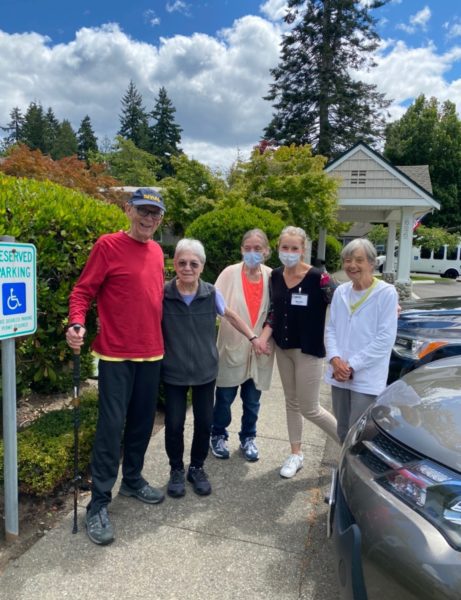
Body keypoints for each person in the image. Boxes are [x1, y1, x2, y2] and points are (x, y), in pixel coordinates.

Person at [66, 188, 166, 546]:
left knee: (142, 423)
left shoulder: (156, 251)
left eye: (156, 214)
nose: (149, 219)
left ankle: (134, 480)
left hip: (152, 353)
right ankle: (99, 503)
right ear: (128, 210)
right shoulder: (107, 246)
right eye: (143, 211)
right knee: (110, 428)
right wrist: (75, 322)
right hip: (115, 355)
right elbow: (82, 292)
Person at [162, 238, 267, 498]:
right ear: (174, 264)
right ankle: (176, 469)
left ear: (202, 266)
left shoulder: (210, 293)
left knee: (204, 422)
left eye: (193, 263)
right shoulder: (163, 293)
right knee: (174, 424)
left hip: (205, 371)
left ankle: (196, 468)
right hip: (173, 371)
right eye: (182, 262)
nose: (187, 268)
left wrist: (253, 337)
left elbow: (231, 315)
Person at [259, 226, 339, 479]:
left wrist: (382, 302)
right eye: (285, 248)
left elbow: (347, 302)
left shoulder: (319, 278)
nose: (290, 252)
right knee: (291, 403)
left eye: (295, 248)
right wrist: (264, 337)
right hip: (284, 348)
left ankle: (351, 444)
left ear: (303, 250)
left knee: (310, 407)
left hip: (309, 350)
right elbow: (273, 310)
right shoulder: (275, 276)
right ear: (279, 248)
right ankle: (296, 454)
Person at [210, 229, 275, 462]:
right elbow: (215, 306)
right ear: (241, 250)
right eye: (247, 248)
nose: (252, 253)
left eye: (258, 249)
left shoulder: (271, 276)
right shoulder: (229, 274)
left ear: (267, 251)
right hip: (232, 346)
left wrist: (263, 338)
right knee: (225, 397)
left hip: (260, 350)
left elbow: (276, 313)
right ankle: (218, 434)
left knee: (252, 400)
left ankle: (248, 437)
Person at [325, 238, 398, 443]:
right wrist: (335, 360)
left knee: (360, 432)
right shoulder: (341, 292)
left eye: (359, 260)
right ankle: (342, 469)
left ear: (372, 263)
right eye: (347, 260)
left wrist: (352, 366)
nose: (352, 266)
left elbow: (385, 338)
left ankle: (355, 472)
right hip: (338, 373)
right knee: (342, 428)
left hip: (366, 377)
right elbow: (331, 329)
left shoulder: (386, 293)